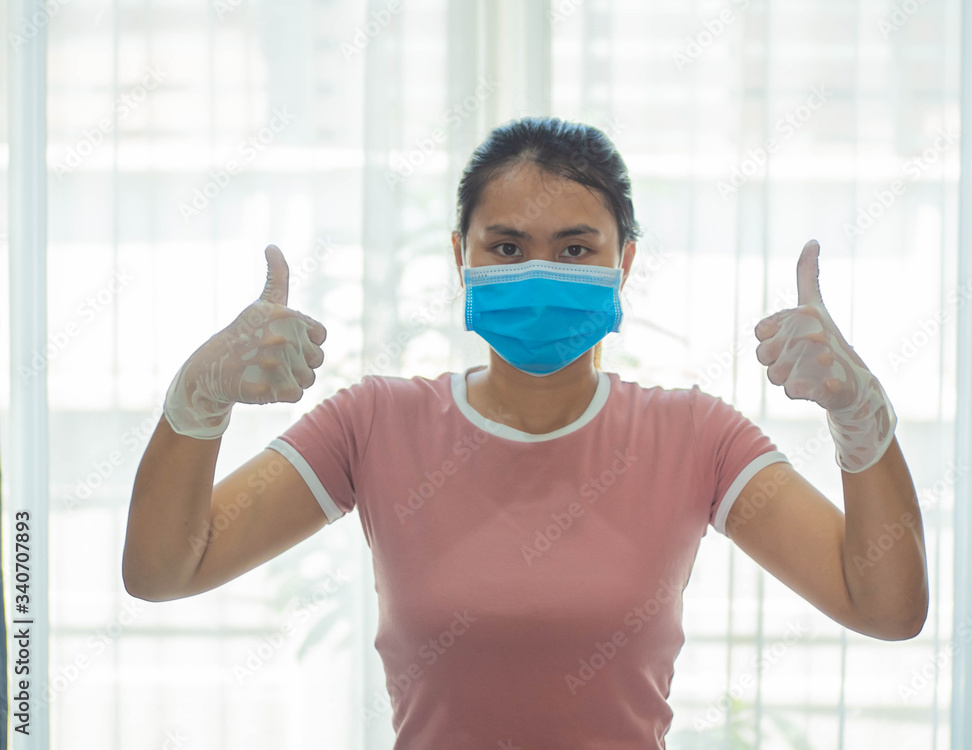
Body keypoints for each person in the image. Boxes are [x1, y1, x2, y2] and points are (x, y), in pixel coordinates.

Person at [122, 116, 928, 749]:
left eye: (575, 247)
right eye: (506, 246)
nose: (539, 271)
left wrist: (861, 420)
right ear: (460, 257)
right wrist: (199, 402)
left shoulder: (695, 438)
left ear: (625, 262)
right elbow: (164, 568)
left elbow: (886, 607)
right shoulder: (374, 425)